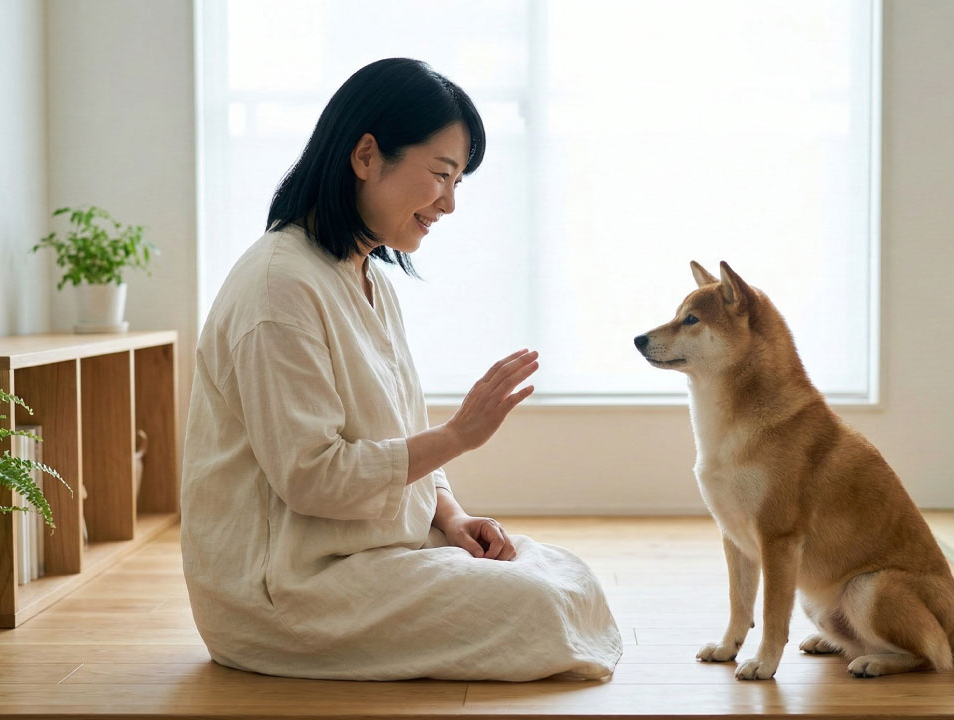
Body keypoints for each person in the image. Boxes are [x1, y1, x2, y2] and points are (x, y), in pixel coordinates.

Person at [179, 58, 623, 681]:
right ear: (366, 155)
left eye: (458, 182)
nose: (447, 203)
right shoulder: (279, 287)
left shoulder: (367, 276)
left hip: (368, 549)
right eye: (441, 174)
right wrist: (458, 437)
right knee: (543, 605)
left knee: (566, 578)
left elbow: (394, 436)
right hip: (285, 590)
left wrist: (453, 518)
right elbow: (310, 477)